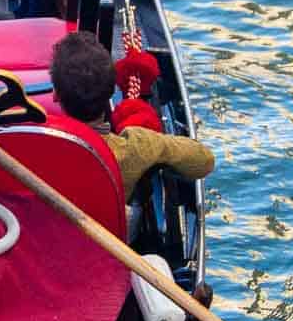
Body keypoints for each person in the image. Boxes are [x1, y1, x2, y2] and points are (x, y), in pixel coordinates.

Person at [48, 31, 215, 199]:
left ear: (55, 94)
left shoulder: (44, 145)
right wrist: (158, 144)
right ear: (111, 91)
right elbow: (205, 161)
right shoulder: (137, 146)